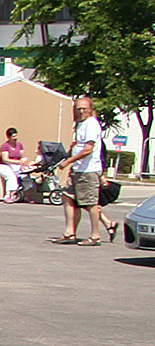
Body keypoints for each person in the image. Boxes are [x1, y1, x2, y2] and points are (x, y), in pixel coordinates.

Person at [52, 96, 110, 245]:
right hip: (78, 169)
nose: (81, 112)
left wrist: (67, 162)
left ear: (90, 110)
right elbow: (80, 146)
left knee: (91, 204)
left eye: (84, 109)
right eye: (78, 109)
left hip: (88, 170)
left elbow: (87, 150)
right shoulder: (81, 124)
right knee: (67, 197)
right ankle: (69, 232)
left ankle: (95, 236)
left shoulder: (91, 124)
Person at [0, 127, 26, 203]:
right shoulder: (5, 146)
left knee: (26, 176)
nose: (15, 138)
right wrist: (17, 162)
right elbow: (5, 159)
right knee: (11, 176)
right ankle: (8, 195)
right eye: (13, 136)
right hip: (5, 166)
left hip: (16, 166)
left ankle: (25, 195)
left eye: (16, 136)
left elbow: (22, 156)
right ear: (8, 137)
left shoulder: (19, 145)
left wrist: (22, 162)